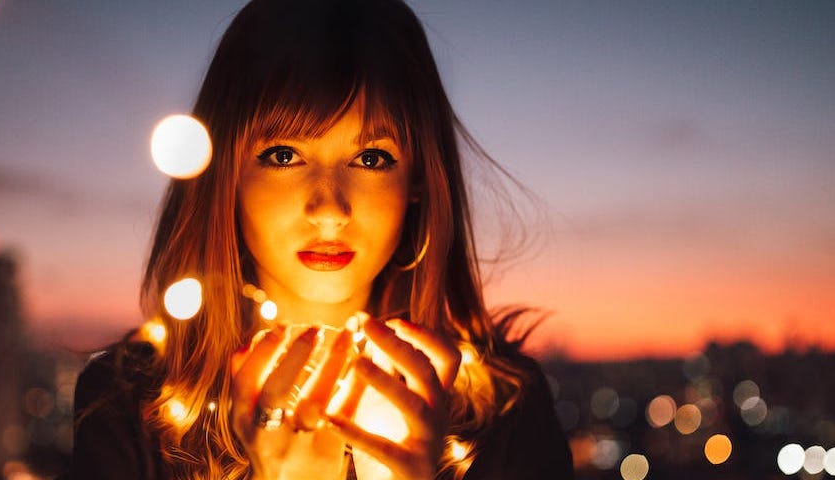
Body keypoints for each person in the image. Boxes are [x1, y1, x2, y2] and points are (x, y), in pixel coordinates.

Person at [67, 0, 573, 478]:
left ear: (419, 179)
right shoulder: (131, 408)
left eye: (371, 158)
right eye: (284, 155)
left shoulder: (506, 413)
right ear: (227, 175)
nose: (329, 210)